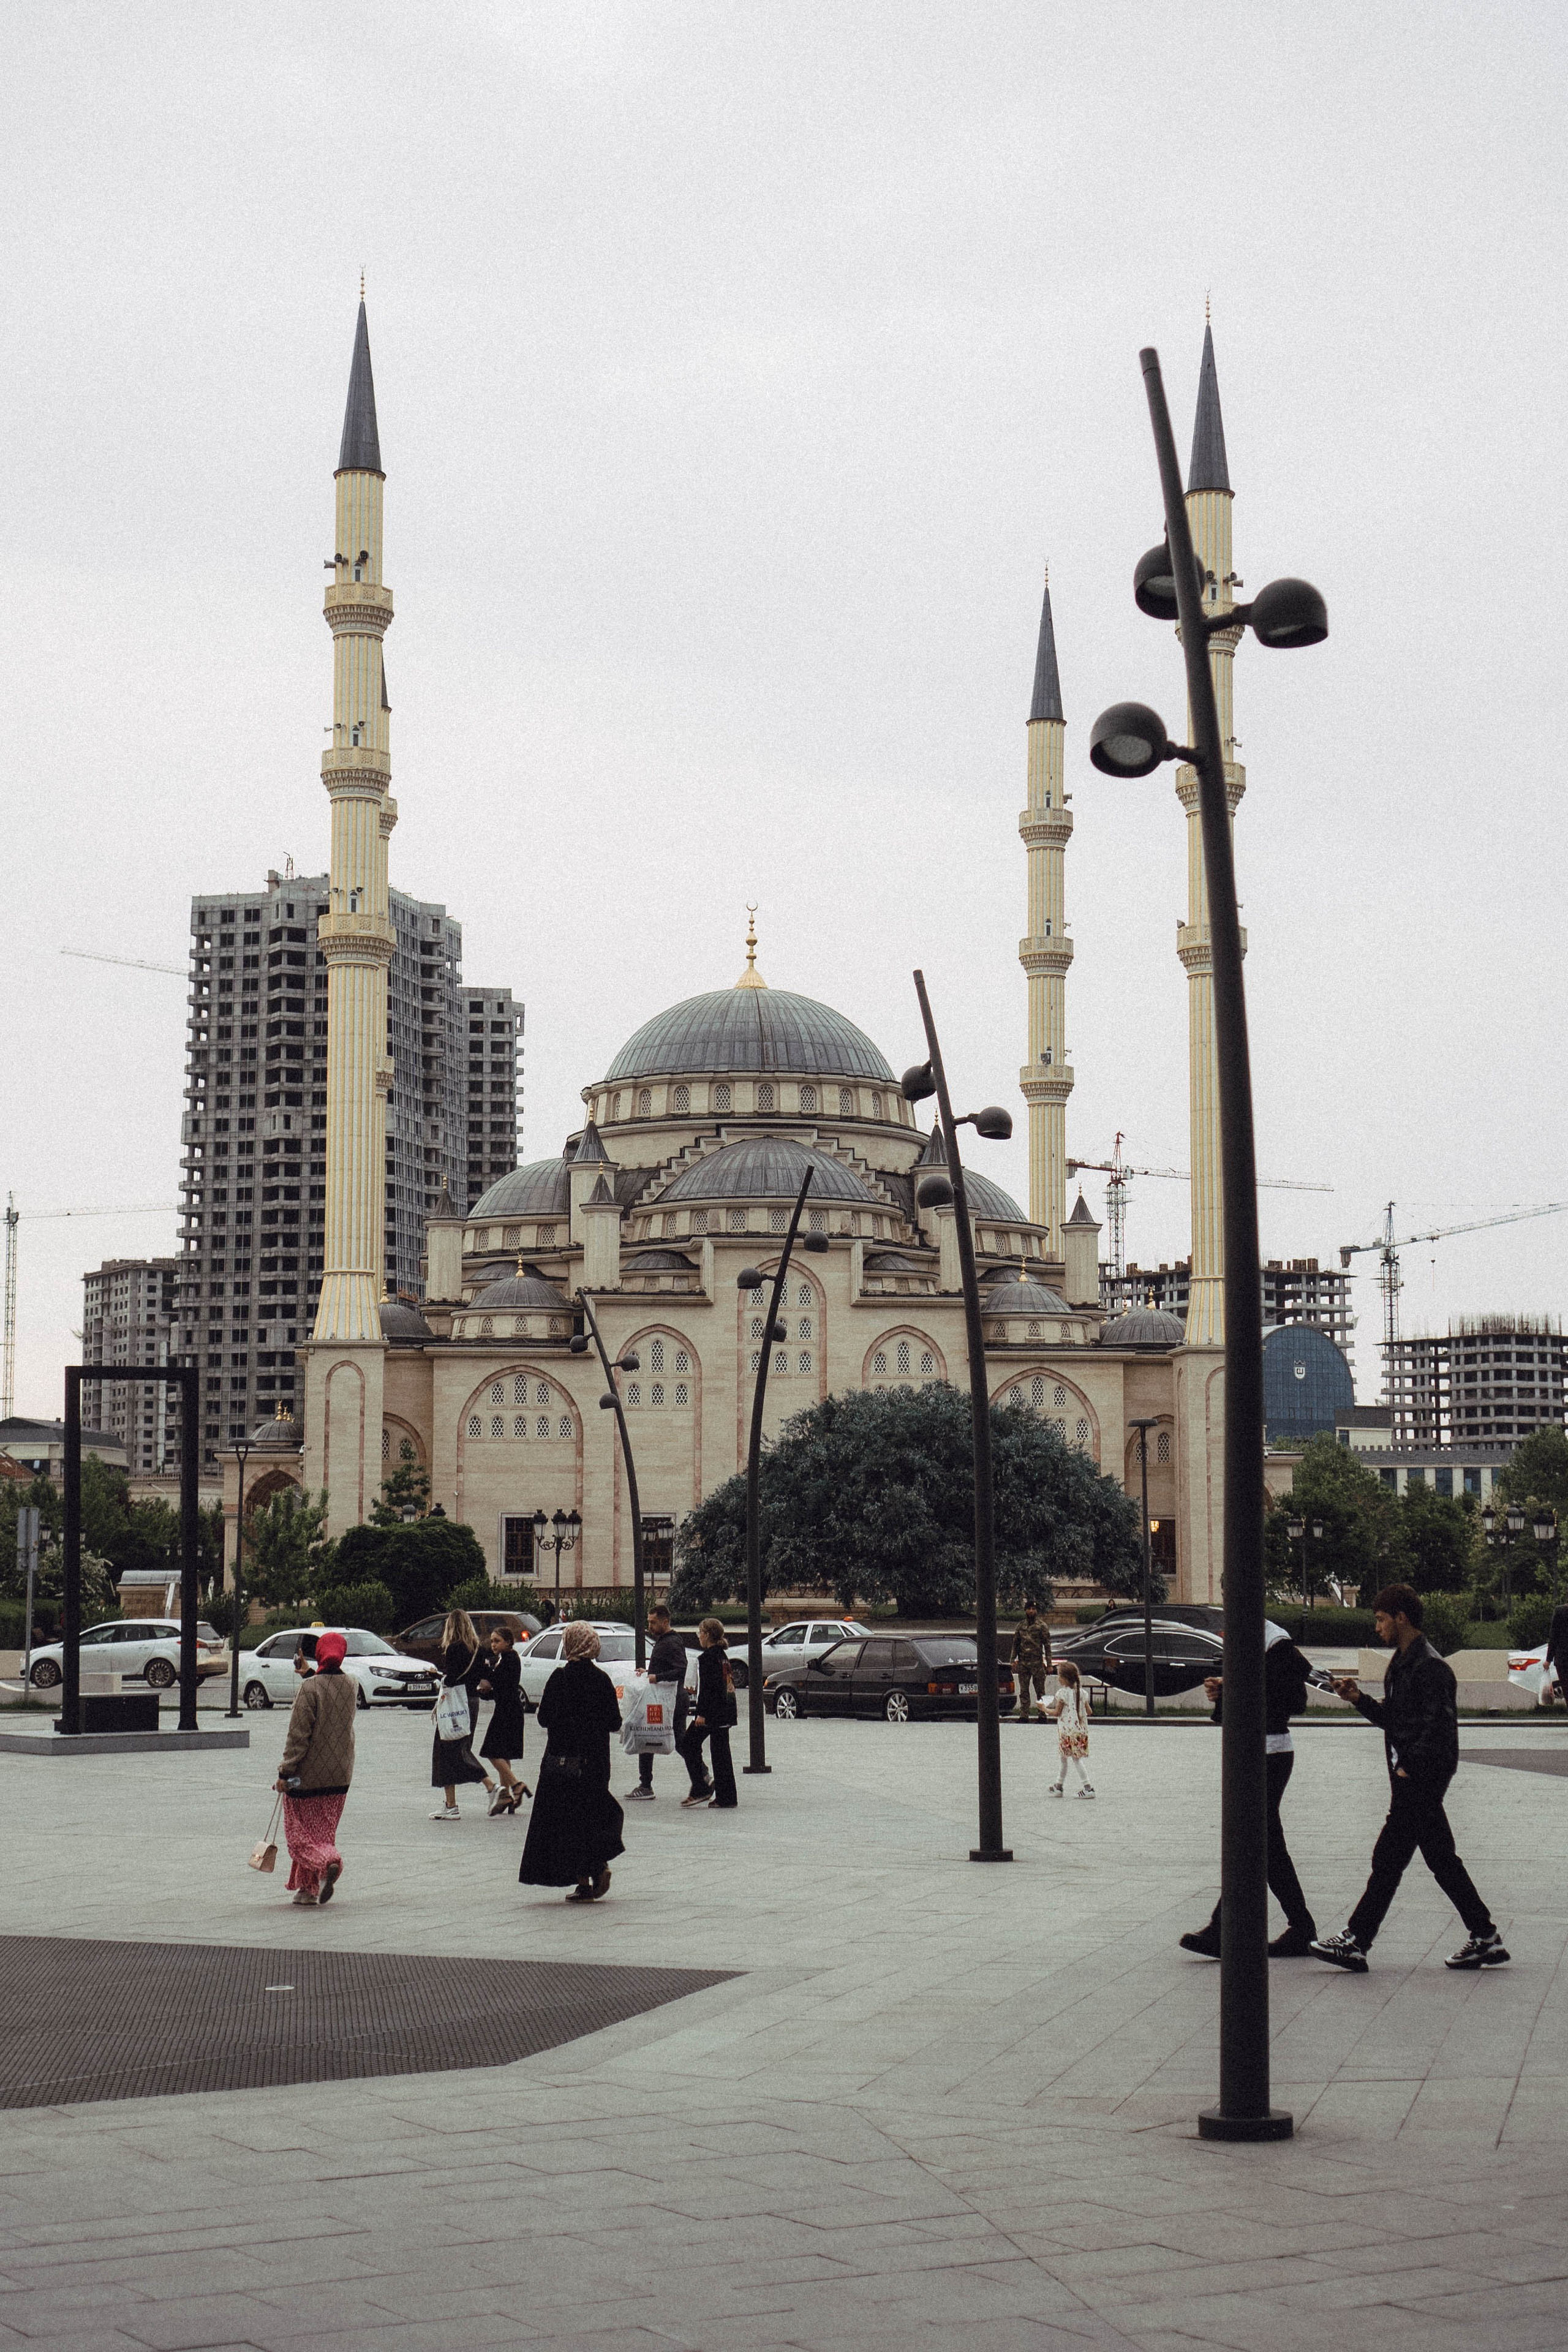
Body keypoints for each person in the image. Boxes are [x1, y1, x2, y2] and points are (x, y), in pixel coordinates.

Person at [1312, 1583, 1508, 1973]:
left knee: (1389, 1858)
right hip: (1413, 1775)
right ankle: (1484, 1936)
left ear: (1401, 1618)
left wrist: (1410, 1767)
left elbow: (1439, 1729)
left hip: (1421, 1776)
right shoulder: (1404, 1662)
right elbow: (1397, 1719)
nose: (1377, 1628)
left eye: (1382, 1620)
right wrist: (1360, 1701)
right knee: (1440, 1859)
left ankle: (1357, 1940)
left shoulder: (1430, 1666)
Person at [1178, 1620, 1317, 1961]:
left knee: (1253, 1841)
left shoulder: (1276, 1643)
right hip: (1259, 1753)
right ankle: (1299, 1928)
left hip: (1271, 1753)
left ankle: (1224, 1929)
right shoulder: (1250, 1638)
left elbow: (1294, 1699)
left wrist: (1234, 1687)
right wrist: (1225, 1690)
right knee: (1265, 1845)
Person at [519, 1621, 626, 1901]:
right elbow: (615, 1721)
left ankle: (584, 1881)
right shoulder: (602, 1680)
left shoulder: (558, 1678)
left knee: (567, 1823)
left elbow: (543, 1719)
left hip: (562, 1762)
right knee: (592, 1816)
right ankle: (597, 1866)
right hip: (596, 1762)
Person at [274, 1627, 355, 1907]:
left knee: (299, 1837)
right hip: (340, 1775)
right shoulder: (352, 1685)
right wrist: (310, 1673)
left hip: (306, 1777)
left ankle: (330, 1863)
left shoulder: (309, 1689)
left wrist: (285, 1771)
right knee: (322, 1833)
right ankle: (308, 1889)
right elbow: (329, 1694)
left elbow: (299, 1735)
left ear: (320, 1653)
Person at [430, 1608, 496, 1822]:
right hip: (472, 1702)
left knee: (449, 1750)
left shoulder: (453, 1648)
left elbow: (451, 1680)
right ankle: (451, 1805)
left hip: (453, 1705)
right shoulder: (479, 1649)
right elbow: (485, 1676)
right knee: (459, 1748)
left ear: (451, 1626)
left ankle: (491, 1787)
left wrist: (438, 1677)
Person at [624, 1602, 688, 1802]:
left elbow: (680, 1670)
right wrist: (649, 1673)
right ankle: (646, 1784)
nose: (650, 1626)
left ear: (665, 1622)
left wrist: (657, 1677)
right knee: (648, 1739)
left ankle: (701, 1776)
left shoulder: (671, 1642)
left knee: (676, 1741)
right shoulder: (665, 1641)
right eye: (649, 1622)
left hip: (671, 1701)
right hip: (663, 1700)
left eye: (653, 1622)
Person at [679, 1618, 738, 1809]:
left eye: (700, 1633)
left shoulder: (707, 1659)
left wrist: (701, 1714)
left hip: (711, 1713)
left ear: (706, 1635)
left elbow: (707, 1689)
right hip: (726, 1712)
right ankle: (726, 1796)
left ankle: (701, 1787)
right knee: (722, 1753)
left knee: (688, 1744)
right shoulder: (722, 1655)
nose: (698, 1637)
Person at [478, 1625, 530, 1814]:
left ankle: (516, 1786)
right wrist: (486, 1691)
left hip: (508, 1712)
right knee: (504, 1753)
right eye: (492, 1641)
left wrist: (484, 1672)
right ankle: (507, 1795)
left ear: (508, 1642)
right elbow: (499, 1688)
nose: (493, 1645)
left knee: (492, 1752)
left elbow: (498, 1681)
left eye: (497, 1641)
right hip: (507, 1709)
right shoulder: (504, 1659)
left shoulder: (510, 1659)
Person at [1044, 1660, 1093, 1797]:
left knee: (1071, 1759)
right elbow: (1089, 1712)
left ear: (1065, 1679)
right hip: (1081, 1732)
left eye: (1059, 1675)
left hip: (1067, 1732)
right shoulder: (1082, 1693)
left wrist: (1043, 1709)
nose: (1058, 1678)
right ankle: (1059, 1786)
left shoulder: (1062, 1694)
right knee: (1066, 1758)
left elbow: (1056, 1712)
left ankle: (1088, 1788)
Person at [1010, 1602, 1052, 1722]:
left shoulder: (1042, 1626)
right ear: (1025, 1611)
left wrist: (1049, 1665)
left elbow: (1047, 1646)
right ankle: (1024, 1715)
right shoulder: (1020, 1626)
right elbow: (1016, 1644)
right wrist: (1012, 1660)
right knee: (1024, 1691)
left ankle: (1042, 1715)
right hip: (1023, 1663)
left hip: (1037, 1663)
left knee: (1040, 1691)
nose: (1031, 1611)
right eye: (1029, 1609)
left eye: (1034, 1609)